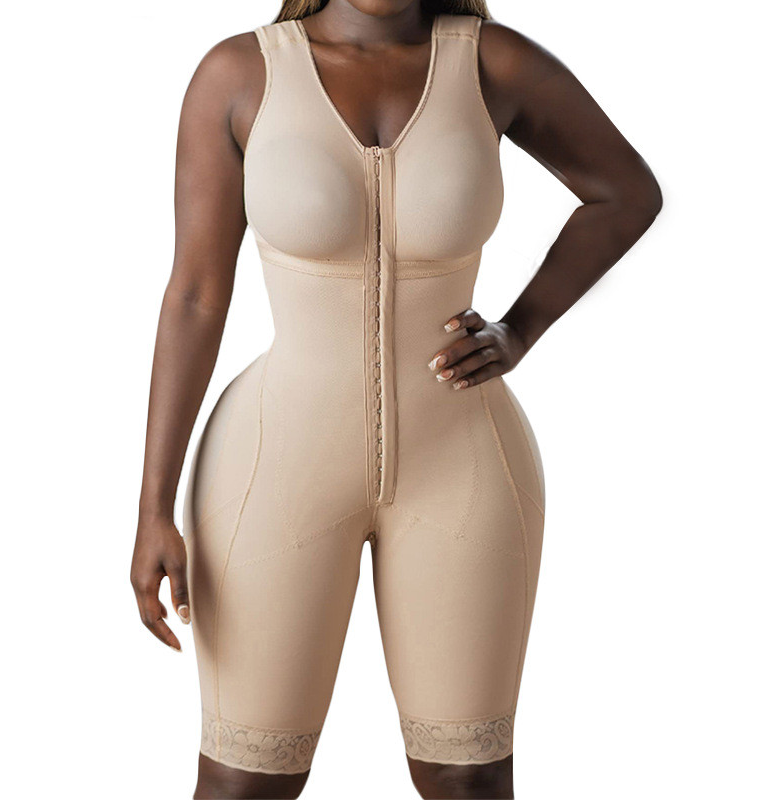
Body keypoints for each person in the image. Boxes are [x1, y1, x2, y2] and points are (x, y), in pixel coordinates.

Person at [130, 1, 662, 797]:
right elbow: (197, 297)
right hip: (273, 470)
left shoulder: (492, 63)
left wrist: (519, 331)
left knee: (467, 779)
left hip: (464, 464)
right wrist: (153, 507)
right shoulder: (240, 73)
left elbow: (626, 193)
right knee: (245, 784)